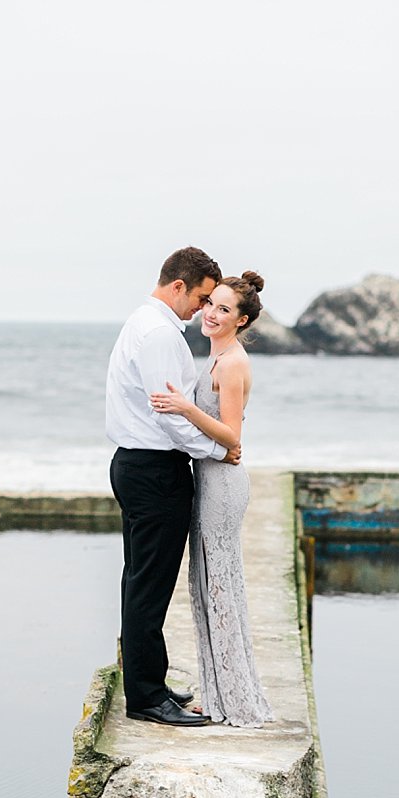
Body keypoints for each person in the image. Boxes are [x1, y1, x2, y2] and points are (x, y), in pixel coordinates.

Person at [105, 246, 242, 728]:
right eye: (203, 298)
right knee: (149, 584)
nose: (204, 310)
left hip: (137, 465)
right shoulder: (161, 332)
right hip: (154, 469)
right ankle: (145, 697)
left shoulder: (143, 321)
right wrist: (217, 451)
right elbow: (171, 416)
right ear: (179, 286)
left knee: (142, 579)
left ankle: (151, 683)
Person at [150, 272, 273, 728]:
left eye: (224, 310)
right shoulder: (216, 357)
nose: (212, 314)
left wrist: (185, 407)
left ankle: (234, 701)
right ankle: (220, 693)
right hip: (211, 480)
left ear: (241, 320)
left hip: (222, 487)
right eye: (210, 304)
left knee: (218, 588)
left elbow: (231, 437)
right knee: (206, 588)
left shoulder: (233, 363)